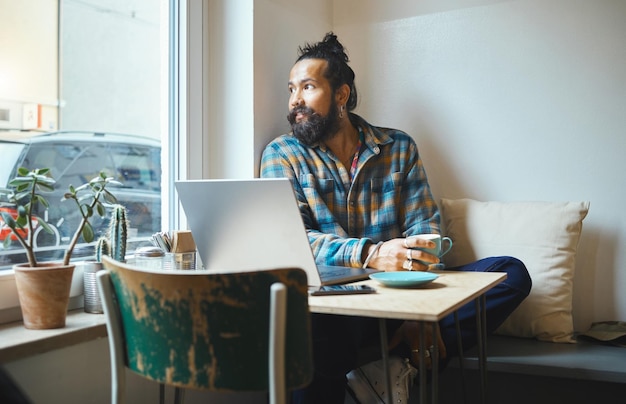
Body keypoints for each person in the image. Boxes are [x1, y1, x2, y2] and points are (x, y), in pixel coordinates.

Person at [260, 32, 532, 403]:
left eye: (307, 87)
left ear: (341, 94)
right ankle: (388, 367)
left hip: (399, 295)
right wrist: (371, 253)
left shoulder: (398, 147)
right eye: (291, 89)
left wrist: (418, 309)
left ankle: (389, 368)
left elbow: (425, 230)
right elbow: (293, 241)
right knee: (308, 326)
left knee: (511, 273)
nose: (295, 101)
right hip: (335, 307)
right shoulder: (282, 154)